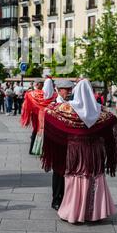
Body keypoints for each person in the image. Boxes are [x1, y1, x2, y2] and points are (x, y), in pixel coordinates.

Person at [42, 79, 117, 223]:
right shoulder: (100, 110)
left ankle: (74, 212)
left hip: (76, 149)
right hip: (95, 151)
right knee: (95, 177)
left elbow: (48, 112)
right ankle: (95, 213)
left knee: (76, 177)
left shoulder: (67, 108)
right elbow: (113, 119)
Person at [50, 78, 74, 210]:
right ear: (59, 91)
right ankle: (56, 199)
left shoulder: (72, 103)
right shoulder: (53, 105)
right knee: (58, 172)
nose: (69, 92)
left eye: (70, 89)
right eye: (67, 89)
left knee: (68, 171)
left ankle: (66, 197)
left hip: (70, 143)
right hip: (57, 143)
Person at [21, 78, 56, 155]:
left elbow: (26, 106)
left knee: (36, 130)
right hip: (42, 115)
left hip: (35, 115)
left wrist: (26, 117)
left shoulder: (31, 94)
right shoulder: (53, 95)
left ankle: (32, 149)